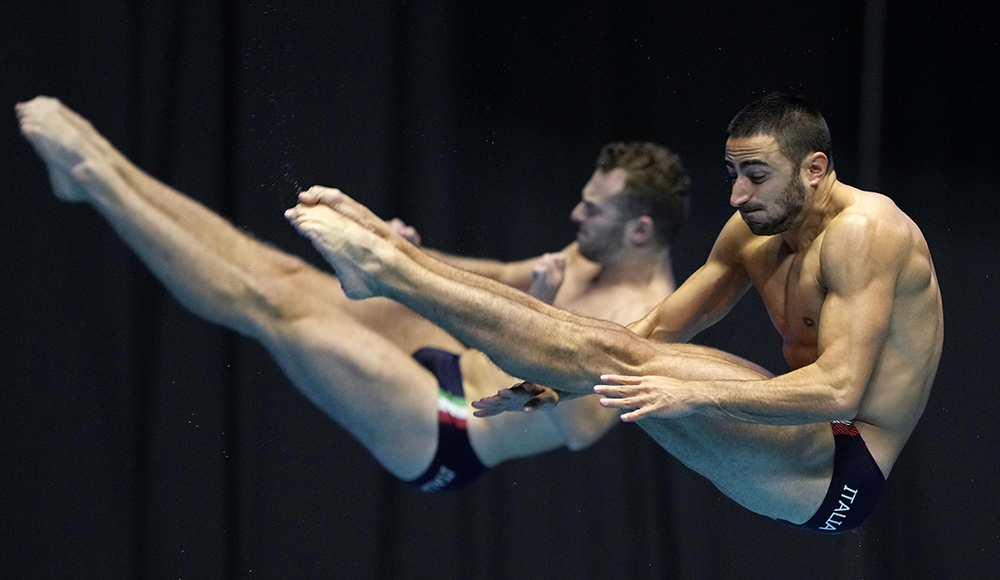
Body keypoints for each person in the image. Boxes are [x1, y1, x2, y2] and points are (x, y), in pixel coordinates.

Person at [283, 93, 943, 532]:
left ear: (816, 169)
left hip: (843, 470)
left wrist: (691, 393)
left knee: (629, 364)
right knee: (615, 352)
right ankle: (392, 270)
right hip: (800, 449)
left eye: (757, 175)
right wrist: (550, 385)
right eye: (732, 172)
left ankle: (390, 271)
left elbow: (840, 386)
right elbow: (654, 329)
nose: (738, 193)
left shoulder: (866, 232)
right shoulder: (751, 232)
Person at [16, 96, 691, 492]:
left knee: (273, 309)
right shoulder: (591, 251)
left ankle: (91, 175)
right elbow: (502, 278)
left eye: (594, 211)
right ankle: (105, 168)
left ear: (639, 230)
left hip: (446, 427)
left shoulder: (649, 320)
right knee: (279, 273)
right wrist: (396, 252)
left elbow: (575, 428)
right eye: (582, 199)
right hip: (445, 359)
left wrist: (534, 327)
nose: (576, 217)